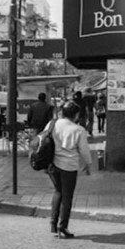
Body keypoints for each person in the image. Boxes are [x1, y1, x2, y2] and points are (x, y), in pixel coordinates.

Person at [41, 101, 92, 239]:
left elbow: (44, 139)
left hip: (52, 165)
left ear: (62, 112)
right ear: (76, 115)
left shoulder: (52, 124)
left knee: (58, 191)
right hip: (69, 166)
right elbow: (84, 150)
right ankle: (63, 227)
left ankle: (53, 223)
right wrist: (88, 164)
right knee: (67, 196)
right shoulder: (78, 130)